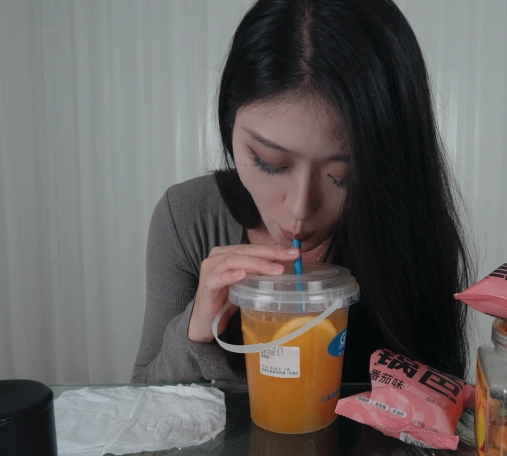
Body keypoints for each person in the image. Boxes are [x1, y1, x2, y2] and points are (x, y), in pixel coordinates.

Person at [132, 0, 474, 388]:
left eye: (343, 177)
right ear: (229, 119)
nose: (299, 209)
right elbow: (141, 399)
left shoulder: (413, 233)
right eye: (269, 162)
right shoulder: (188, 218)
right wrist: (198, 329)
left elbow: (439, 402)